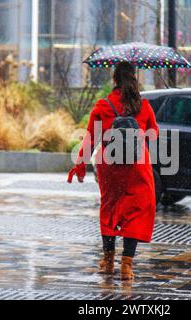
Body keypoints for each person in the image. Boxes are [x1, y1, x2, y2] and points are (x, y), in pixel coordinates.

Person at [67, 61, 159, 281]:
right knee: (136, 211)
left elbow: (90, 138)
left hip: (110, 167)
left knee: (109, 209)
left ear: (114, 80)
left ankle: (108, 263)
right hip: (137, 167)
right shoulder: (143, 106)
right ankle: (126, 266)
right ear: (134, 80)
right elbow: (153, 134)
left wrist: (80, 165)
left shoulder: (103, 105)